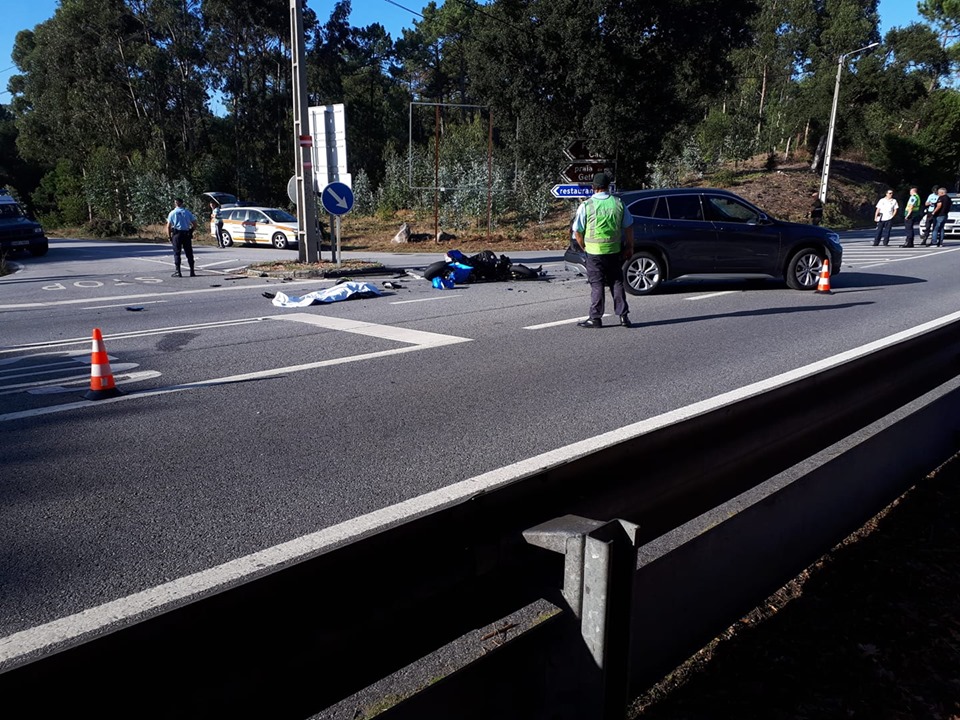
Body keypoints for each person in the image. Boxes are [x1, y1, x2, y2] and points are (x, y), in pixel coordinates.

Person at [572, 173, 634, 328]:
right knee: (617, 282)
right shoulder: (618, 203)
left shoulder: (587, 205)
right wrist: (629, 247)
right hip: (614, 250)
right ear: (608, 187)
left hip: (594, 252)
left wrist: (584, 247)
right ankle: (623, 316)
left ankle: (596, 318)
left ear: (594, 187)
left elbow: (577, 231)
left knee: (597, 284)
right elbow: (628, 227)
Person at [166, 198, 197, 277]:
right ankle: (192, 271)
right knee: (189, 252)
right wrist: (191, 231)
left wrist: (169, 236)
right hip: (186, 234)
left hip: (177, 234)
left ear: (175, 204)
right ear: (182, 203)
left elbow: (168, 226)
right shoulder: (187, 212)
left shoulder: (172, 213)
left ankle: (178, 271)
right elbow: (194, 224)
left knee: (177, 252)